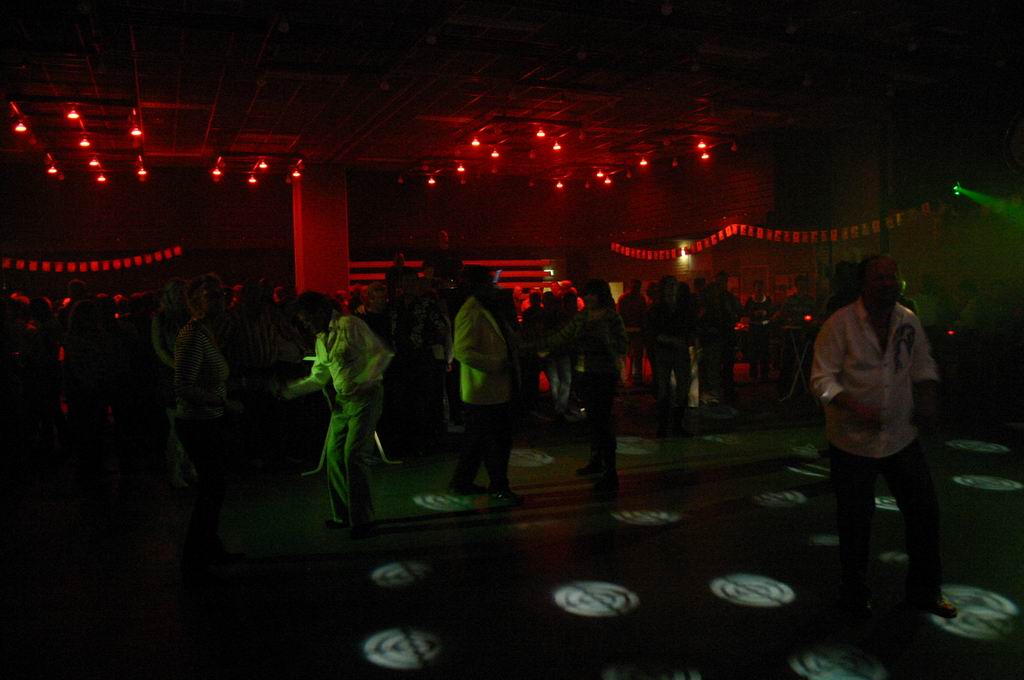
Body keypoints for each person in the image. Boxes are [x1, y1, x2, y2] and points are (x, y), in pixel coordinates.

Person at [810, 255, 957, 620]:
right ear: (863, 283)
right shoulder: (840, 324)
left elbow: (922, 363)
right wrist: (853, 406)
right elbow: (821, 379)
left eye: (893, 276)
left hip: (899, 435)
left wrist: (927, 395)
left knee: (924, 513)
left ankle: (925, 591)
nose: (889, 283)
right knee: (855, 521)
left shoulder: (908, 320)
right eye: (880, 277)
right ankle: (853, 594)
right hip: (852, 441)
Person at [279, 292, 393, 538]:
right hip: (344, 401)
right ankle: (346, 515)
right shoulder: (322, 339)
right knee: (335, 454)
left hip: (366, 397)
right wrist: (289, 391)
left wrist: (364, 381)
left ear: (320, 312)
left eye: (306, 319)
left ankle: (363, 520)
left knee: (354, 454)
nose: (305, 325)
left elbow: (380, 354)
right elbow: (319, 377)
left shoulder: (350, 325)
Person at [174, 273, 245, 585]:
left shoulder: (206, 333)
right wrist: (224, 402)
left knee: (213, 489)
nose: (221, 300)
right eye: (212, 295)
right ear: (195, 302)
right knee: (210, 490)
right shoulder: (192, 335)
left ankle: (208, 549)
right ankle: (194, 559)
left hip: (207, 420)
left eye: (222, 294)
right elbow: (184, 386)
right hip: (198, 422)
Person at [524, 279, 628, 492]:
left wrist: (607, 344)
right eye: (586, 294)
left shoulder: (611, 317)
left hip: (604, 374)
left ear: (600, 295)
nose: (588, 297)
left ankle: (610, 471)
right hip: (586, 373)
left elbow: (622, 344)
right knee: (594, 420)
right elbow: (562, 335)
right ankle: (597, 462)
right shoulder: (583, 316)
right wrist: (537, 345)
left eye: (592, 294)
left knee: (602, 422)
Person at [447, 265, 522, 503]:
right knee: (496, 441)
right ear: (477, 285)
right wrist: (497, 364)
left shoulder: (480, 308)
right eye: (489, 282)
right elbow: (462, 351)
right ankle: (498, 486)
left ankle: (463, 482)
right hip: (485, 390)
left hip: (484, 390)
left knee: (479, 440)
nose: (493, 286)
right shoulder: (473, 311)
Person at [646, 276, 695, 437]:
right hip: (665, 352)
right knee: (664, 389)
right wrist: (673, 340)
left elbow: (690, 327)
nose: (672, 289)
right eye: (669, 286)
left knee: (682, 387)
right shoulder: (657, 309)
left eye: (674, 286)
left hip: (676, 351)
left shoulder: (682, 308)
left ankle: (674, 425)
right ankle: (665, 425)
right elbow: (653, 333)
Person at [617, 279, 647, 386]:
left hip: (631, 329)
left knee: (629, 355)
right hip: (634, 330)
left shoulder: (625, 298)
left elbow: (620, 314)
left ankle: (628, 377)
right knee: (633, 355)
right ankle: (632, 377)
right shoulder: (639, 299)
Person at [743, 280, 773, 383]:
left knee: (765, 351)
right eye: (757, 287)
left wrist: (766, 313)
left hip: (765, 328)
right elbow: (745, 312)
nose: (759, 289)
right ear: (754, 288)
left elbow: (771, 312)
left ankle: (765, 373)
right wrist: (753, 313)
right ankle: (753, 374)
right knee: (753, 351)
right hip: (754, 328)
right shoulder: (750, 300)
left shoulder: (768, 300)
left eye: (760, 287)